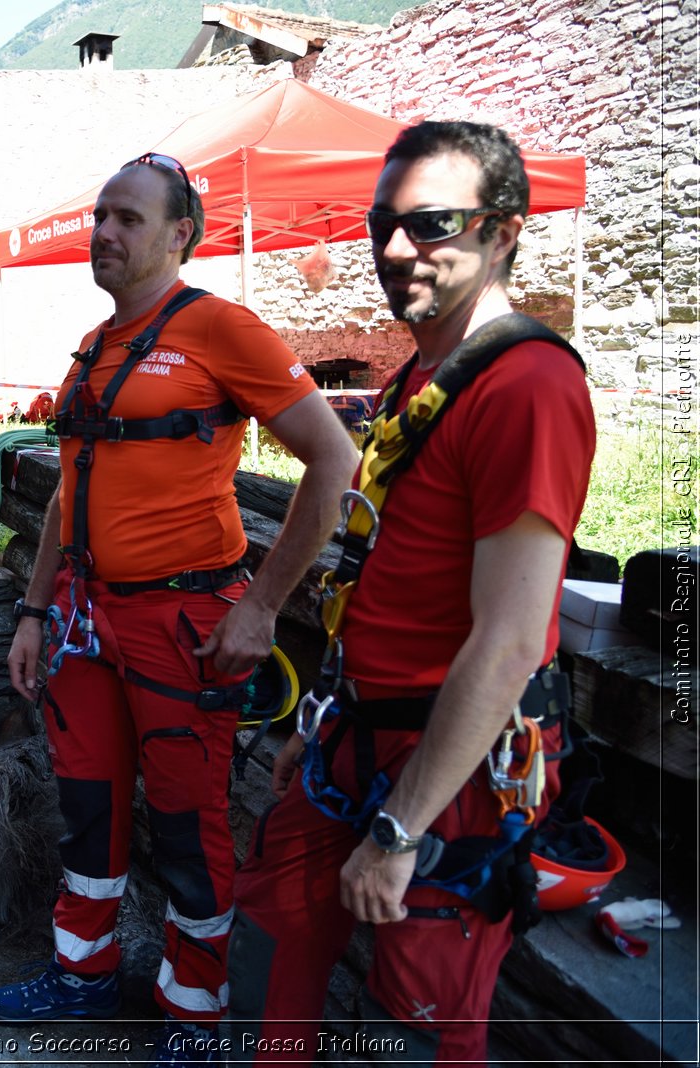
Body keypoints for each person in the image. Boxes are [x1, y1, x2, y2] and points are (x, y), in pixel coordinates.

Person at [226, 122, 595, 1064]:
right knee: (272, 952)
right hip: (355, 735)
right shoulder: (421, 382)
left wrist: (400, 828)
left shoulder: (528, 388)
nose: (395, 249)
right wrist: (316, 721)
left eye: (430, 224)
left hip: (453, 770)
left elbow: (511, 639)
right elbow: (379, 574)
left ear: (502, 231)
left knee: (417, 1022)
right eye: (380, 223)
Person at [0, 151, 357, 1065]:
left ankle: (195, 1013)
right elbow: (71, 492)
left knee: (189, 828)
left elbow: (336, 461)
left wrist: (264, 606)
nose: (104, 233)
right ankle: (83, 974)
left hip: (185, 624)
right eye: (99, 216)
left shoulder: (223, 330)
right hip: (81, 619)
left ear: (181, 234)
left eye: (128, 219)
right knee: (88, 807)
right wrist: (34, 613)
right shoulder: (96, 346)